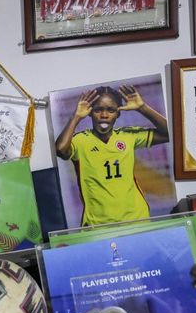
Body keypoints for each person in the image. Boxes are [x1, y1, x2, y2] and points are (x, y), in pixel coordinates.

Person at [55, 85, 169, 226]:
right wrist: (76, 116)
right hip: (98, 226)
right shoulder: (80, 141)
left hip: (137, 219)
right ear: (90, 112)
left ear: (118, 113)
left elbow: (170, 133)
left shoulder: (128, 136)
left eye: (111, 110)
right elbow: (60, 150)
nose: (104, 115)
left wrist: (142, 107)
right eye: (98, 110)